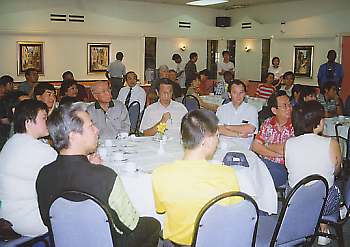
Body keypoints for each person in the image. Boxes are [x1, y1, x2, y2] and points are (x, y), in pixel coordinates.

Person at [36, 104, 160, 247]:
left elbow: (47, 220)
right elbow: (130, 225)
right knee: (153, 224)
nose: (97, 130)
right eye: (91, 126)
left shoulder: (44, 174)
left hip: (66, 240)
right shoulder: (105, 177)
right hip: (108, 241)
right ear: (74, 136)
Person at [152, 109, 240, 246]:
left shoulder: (160, 174)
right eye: (217, 135)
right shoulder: (227, 175)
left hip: (175, 243)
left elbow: (161, 209)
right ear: (207, 141)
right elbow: (234, 216)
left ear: (182, 136)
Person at [286, 101, 341, 244]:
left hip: (295, 200)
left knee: (293, 183)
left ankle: (299, 227)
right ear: (317, 122)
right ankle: (324, 228)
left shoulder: (289, 143)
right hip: (324, 202)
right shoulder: (332, 143)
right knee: (333, 186)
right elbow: (337, 171)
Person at [0, 99, 57, 236]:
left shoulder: (11, 142)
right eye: (44, 118)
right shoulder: (40, 150)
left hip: (7, 214)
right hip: (29, 220)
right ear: (28, 122)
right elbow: (68, 175)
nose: (47, 122)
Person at [251, 90, 294, 187]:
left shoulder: (296, 125)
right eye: (284, 106)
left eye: (289, 105)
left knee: (258, 181)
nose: (289, 108)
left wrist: (266, 145)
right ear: (274, 110)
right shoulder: (267, 123)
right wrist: (278, 155)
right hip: (263, 163)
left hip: (283, 168)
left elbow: (287, 150)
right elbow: (255, 146)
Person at [216, 80, 258, 149]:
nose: (238, 96)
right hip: (223, 146)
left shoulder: (252, 110)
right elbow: (220, 129)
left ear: (245, 94)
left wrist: (228, 127)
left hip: (243, 147)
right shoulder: (221, 109)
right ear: (229, 94)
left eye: (241, 92)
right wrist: (239, 134)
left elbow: (250, 128)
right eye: (234, 92)